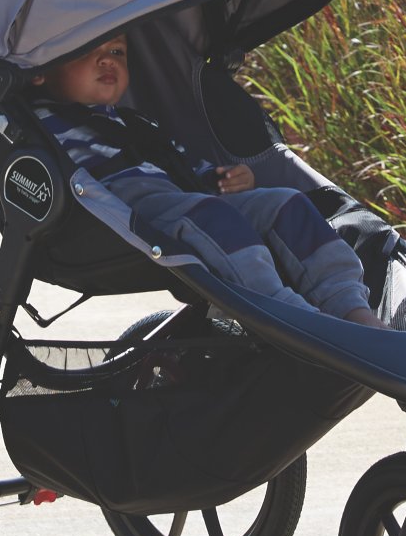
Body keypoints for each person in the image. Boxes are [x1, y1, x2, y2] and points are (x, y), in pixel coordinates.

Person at [27, 32, 387, 328]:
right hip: (124, 211)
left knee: (286, 202)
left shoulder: (136, 123)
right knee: (213, 217)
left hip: (183, 199)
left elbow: (183, 164)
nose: (108, 60)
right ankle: (293, 317)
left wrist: (228, 179)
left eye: (118, 51)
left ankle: (351, 307)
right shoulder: (43, 123)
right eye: (88, 51)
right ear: (40, 71)